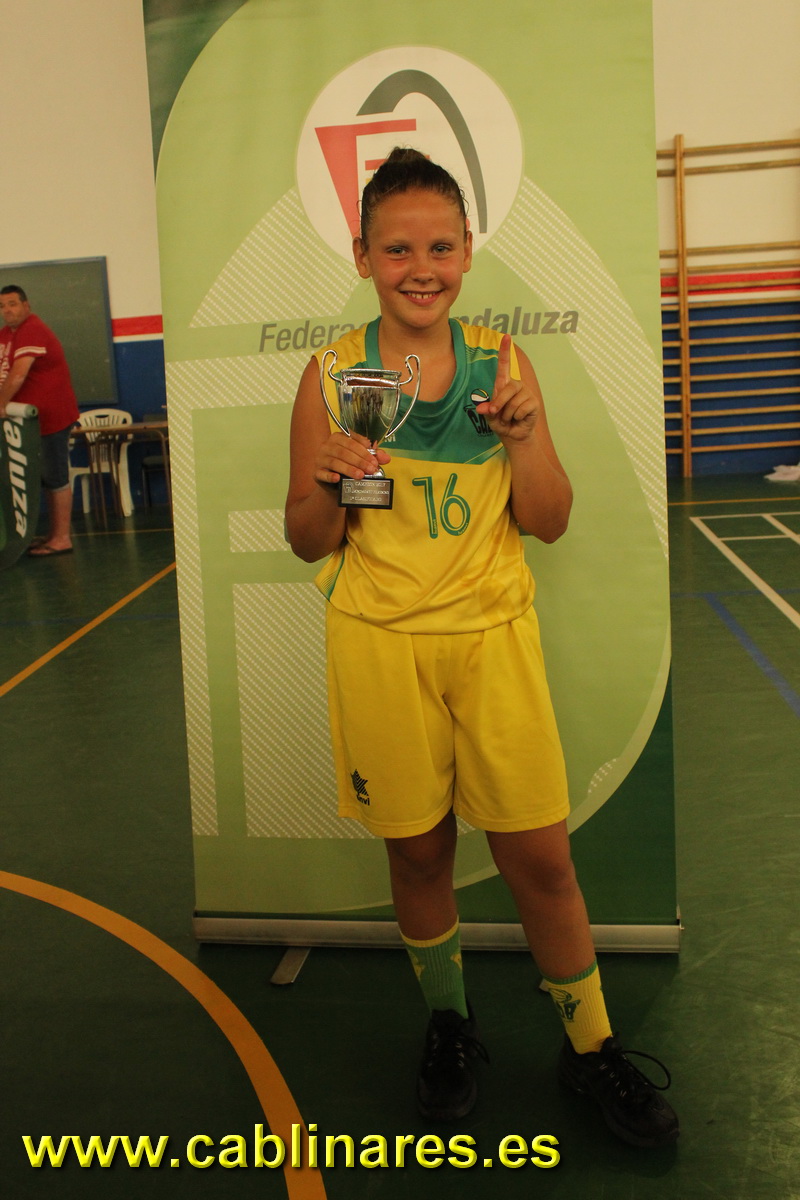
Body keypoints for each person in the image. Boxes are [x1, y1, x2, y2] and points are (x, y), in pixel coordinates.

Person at [285, 148, 678, 1148]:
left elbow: (547, 520)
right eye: (397, 248)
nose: (421, 267)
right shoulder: (339, 375)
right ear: (362, 255)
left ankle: (589, 1046)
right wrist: (327, 480)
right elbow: (310, 540)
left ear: (468, 250)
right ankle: (450, 1025)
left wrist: (523, 438)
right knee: (419, 851)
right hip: (380, 646)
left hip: (492, 641)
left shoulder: (502, 364)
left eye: (440, 247)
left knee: (539, 858)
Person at [0, 285, 79, 556]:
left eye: (12, 304)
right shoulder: (6, 335)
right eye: (2, 306)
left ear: (26, 305)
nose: (7, 310)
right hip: (28, 423)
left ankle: (62, 539)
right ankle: (52, 535)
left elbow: (18, 374)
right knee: (45, 476)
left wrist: (0, 405)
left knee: (55, 476)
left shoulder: (32, 329)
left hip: (51, 418)